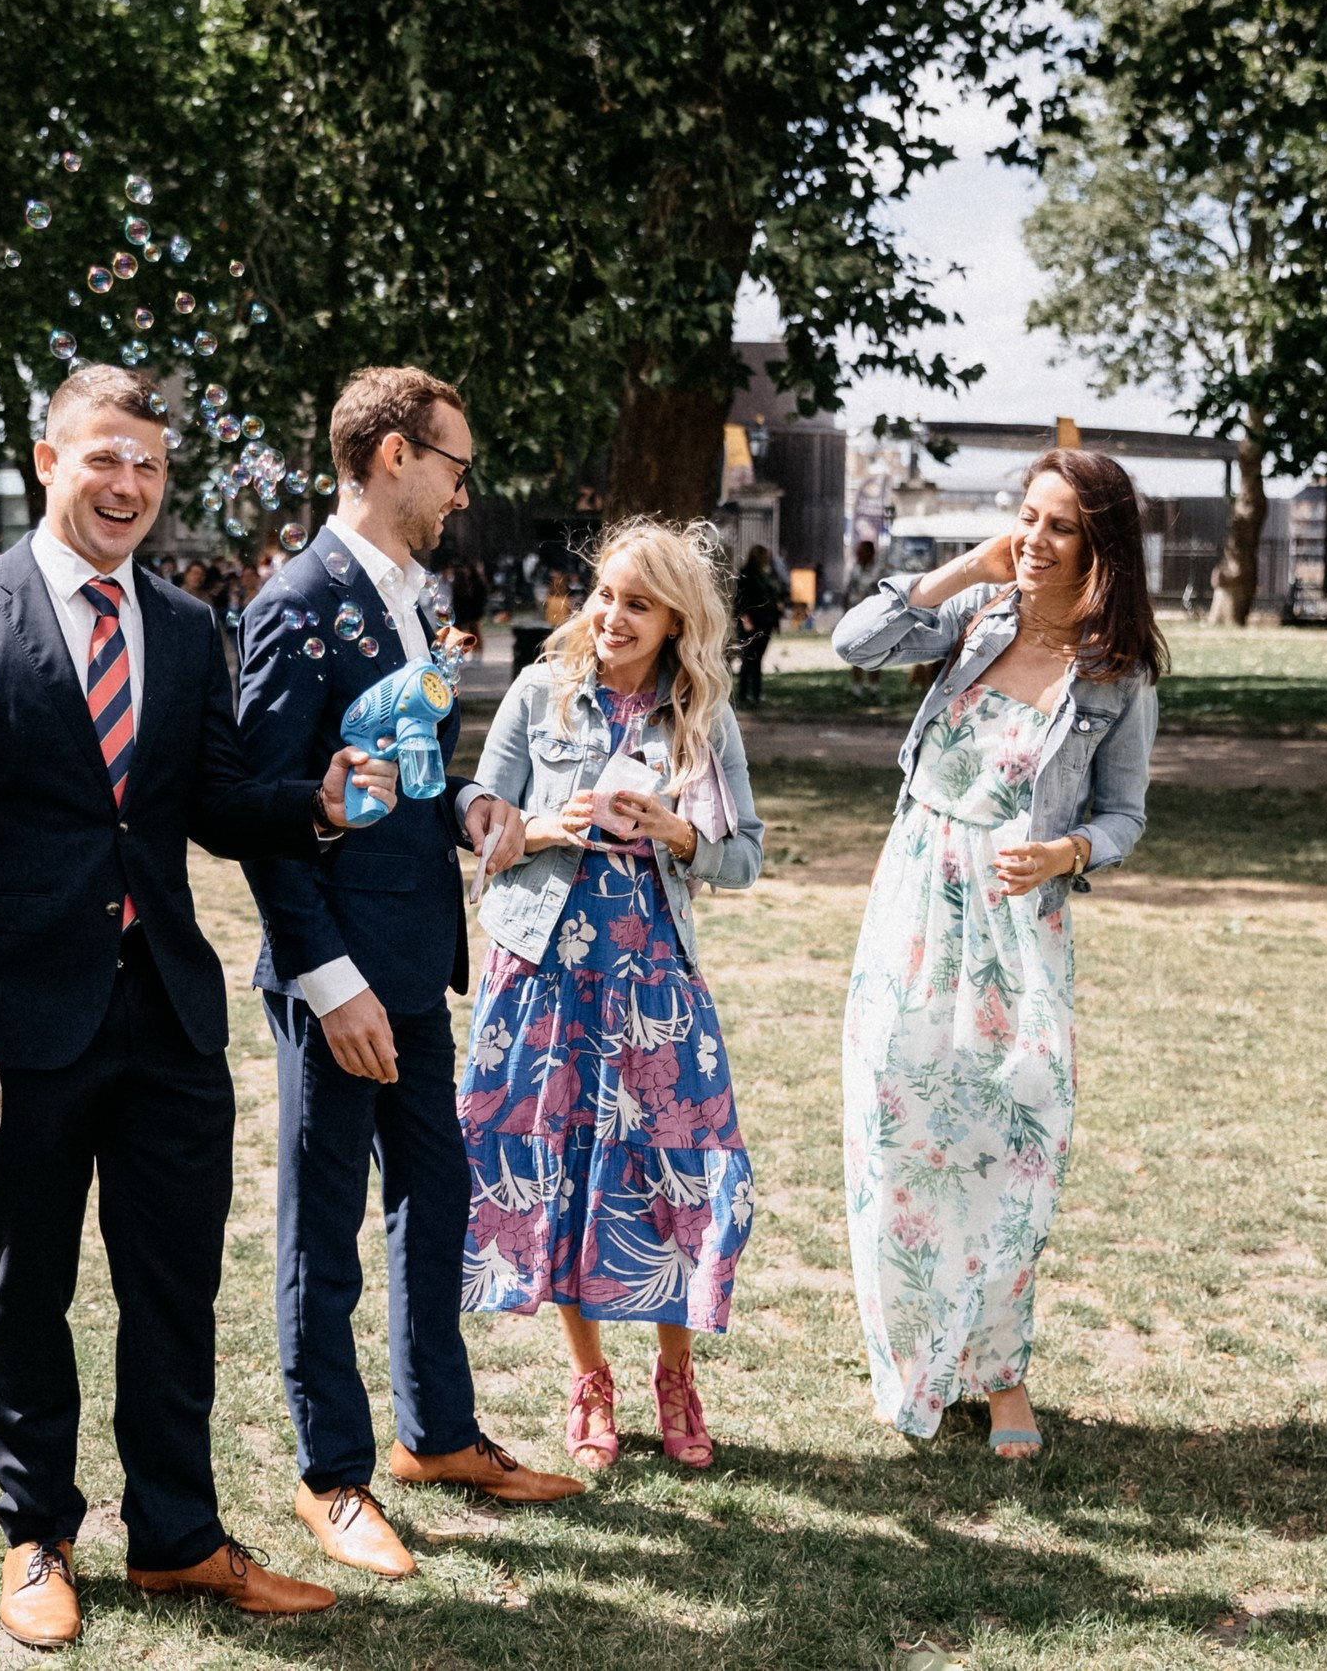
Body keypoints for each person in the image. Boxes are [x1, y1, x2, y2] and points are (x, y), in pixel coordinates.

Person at [0, 366, 388, 1647]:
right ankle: (36, 1539)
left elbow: (216, 799)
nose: (129, 487)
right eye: (105, 459)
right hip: (20, 1026)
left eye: (151, 469)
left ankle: (178, 1538)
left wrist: (314, 802)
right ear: (48, 458)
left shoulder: (183, 627)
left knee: (173, 1290)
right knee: (29, 1289)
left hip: (169, 1017)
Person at [237, 365, 580, 1587]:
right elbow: (271, 814)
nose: (460, 486)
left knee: (435, 1204)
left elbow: (405, 770)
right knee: (323, 1235)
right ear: (392, 456)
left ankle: (437, 1435)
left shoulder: (406, 593)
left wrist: (479, 804)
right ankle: (332, 1477)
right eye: (453, 461)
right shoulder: (296, 602)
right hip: (338, 982)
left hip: (420, 963)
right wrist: (328, 981)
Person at [832, 447, 1162, 1457]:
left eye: (1058, 525)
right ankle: (912, 1361)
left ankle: (1002, 1371)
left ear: (1098, 546)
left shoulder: (1117, 675)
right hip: (915, 894)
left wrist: (1068, 851)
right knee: (898, 1125)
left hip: (1017, 923)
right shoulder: (975, 621)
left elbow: (1124, 816)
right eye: (1026, 515)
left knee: (1014, 1134)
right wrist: (959, 571)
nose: (1033, 538)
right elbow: (854, 642)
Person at [459, 519, 765, 1473]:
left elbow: (746, 852)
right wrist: (546, 825)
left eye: (638, 602)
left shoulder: (701, 717)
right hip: (544, 973)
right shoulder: (538, 693)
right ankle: (589, 1377)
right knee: (559, 1168)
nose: (614, 615)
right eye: (604, 596)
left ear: (676, 618)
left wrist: (678, 832)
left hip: (651, 977)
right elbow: (475, 813)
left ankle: (677, 1374)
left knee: (674, 1165)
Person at [733, 545, 784, 708]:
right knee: (748, 659)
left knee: (758, 659)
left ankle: (755, 692)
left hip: (764, 622)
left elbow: (771, 596)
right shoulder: (746, 574)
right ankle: (743, 693)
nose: (767, 559)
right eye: (764, 556)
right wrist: (744, 619)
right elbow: (740, 600)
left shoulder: (765, 575)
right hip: (751, 623)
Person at [845, 539, 889, 702]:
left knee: (875, 651)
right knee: (855, 649)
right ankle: (856, 687)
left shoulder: (880, 571)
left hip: (874, 616)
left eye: (861, 552)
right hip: (856, 614)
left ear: (870, 553)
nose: (858, 555)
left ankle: (874, 687)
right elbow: (847, 591)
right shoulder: (855, 570)